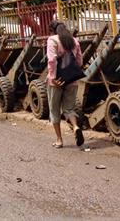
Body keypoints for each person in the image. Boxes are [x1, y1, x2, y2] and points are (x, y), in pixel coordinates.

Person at [46, 20, 84, 148]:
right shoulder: (74, 41)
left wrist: (53, 77)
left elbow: (52, 60)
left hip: (56, 81)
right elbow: (79, 61)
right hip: (72, 80)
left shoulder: (52, 40)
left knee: (54, 110)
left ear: (52, 30)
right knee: (69, 109)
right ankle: (75, 126)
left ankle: (59, 140)